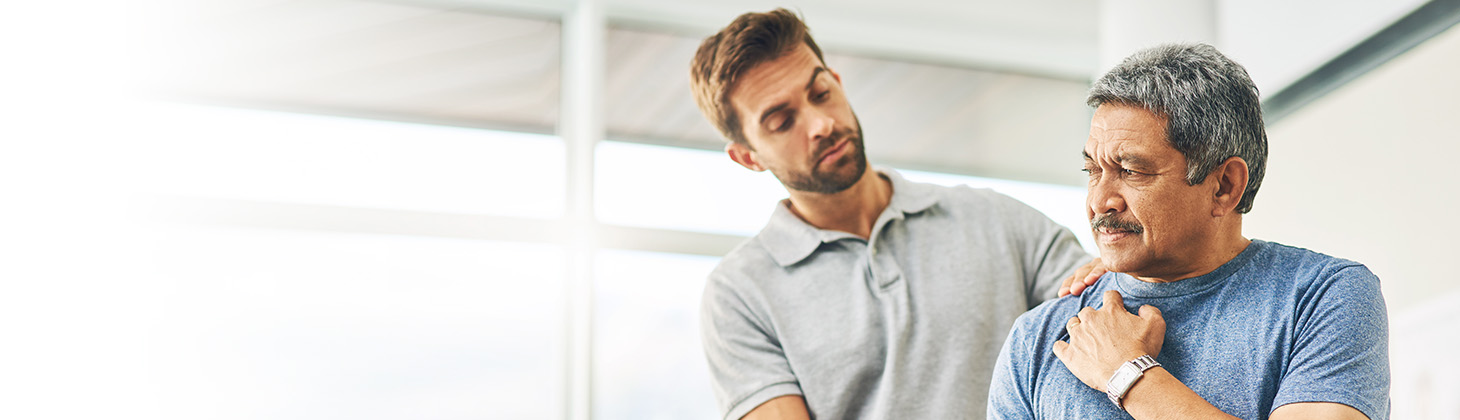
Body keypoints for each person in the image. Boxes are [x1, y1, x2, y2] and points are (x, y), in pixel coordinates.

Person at [689, 9, 1106, 420]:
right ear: (747, 156)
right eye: (782, 121)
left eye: (820, 94)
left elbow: (1112, 322)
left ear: (837, 82)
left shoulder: (1000, 221)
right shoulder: (738, 294)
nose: (820, 124)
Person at [986, 43, 1389, 420]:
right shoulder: (1039, 338)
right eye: (1093, 171)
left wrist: (1129, 375)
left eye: (1131, 171)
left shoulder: (1323, 296)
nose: (1101, 201)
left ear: (1224, 186)